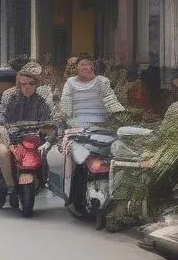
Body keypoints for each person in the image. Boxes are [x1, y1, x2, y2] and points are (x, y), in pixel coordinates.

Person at [44, 53, 126, 185]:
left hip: (102, 126)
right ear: (77, 67)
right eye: (82, 64)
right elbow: (65, 107)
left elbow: (111, 101)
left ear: (92, 66)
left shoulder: (102, 81)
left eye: (88, 64)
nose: (85, 67)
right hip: (77, 126)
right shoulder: (70, 83)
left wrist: (120, 115)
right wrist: (62, 121)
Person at [0, 62, 54, 200]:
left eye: (31, 84)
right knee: (1, 151)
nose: (27, 87)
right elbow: (0, 113)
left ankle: (44, 180)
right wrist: (0, 123)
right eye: (23, 84)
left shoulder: (42, 101)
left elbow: (50, 119)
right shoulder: (10, 98)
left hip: (36, 139)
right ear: (18, 85)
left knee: (53, 151)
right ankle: (10, 186)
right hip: (14, 139)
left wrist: (50, 128)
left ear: (36, 85)